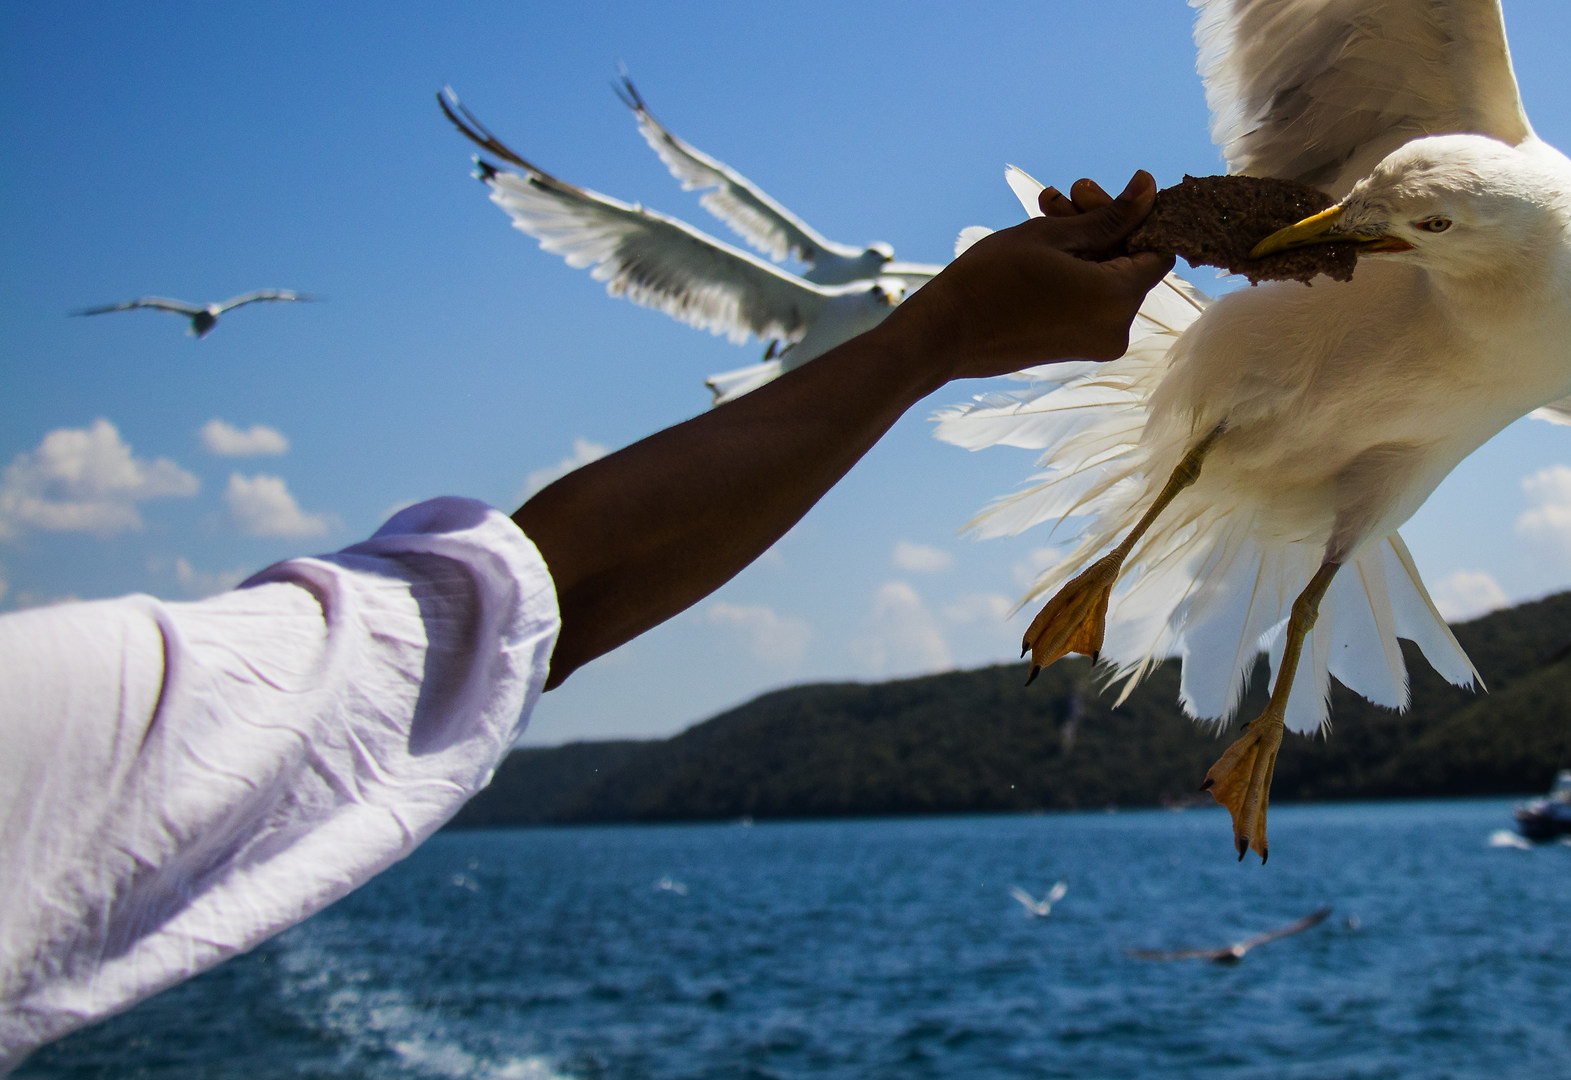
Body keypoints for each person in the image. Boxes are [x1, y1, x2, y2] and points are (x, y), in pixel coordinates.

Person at [0, 173, 1171, 1070]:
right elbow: (532, 600)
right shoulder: (50, 723)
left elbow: (512, 606)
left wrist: (937, 332)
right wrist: (932, 341)